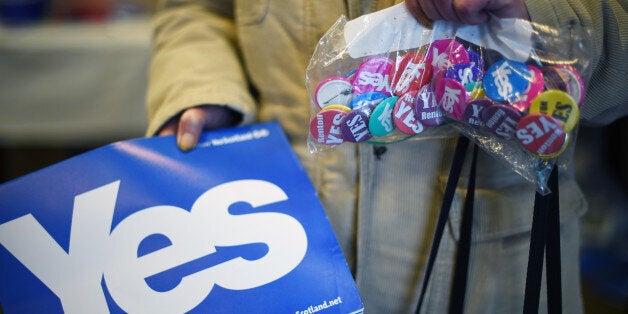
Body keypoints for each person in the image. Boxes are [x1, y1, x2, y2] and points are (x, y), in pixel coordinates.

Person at [145, 0, 627, 312]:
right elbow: (194, 11)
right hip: (277, 252)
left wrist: (547, 19)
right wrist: (200, 87)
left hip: (492, 270)